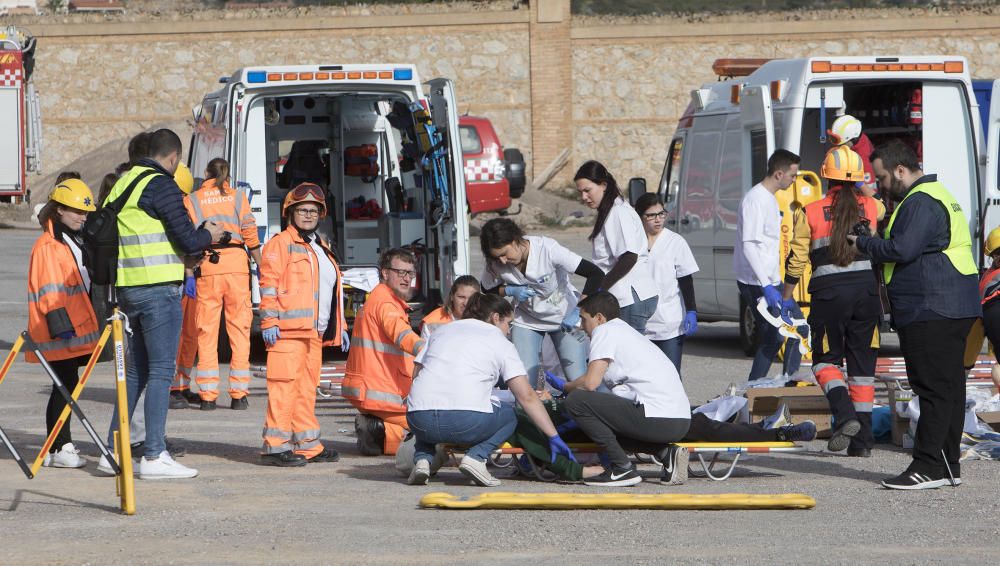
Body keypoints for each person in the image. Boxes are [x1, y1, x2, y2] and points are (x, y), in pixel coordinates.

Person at [850, 139, 980, 490]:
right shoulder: (938, 194)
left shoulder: (920, 201)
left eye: (882, 178)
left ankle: (927, 466)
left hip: (931, 306)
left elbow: (902, 249)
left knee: (934, 389)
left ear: (900, 170)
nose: (879, 186)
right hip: (951, 305)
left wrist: (864, 244)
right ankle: (947, 465)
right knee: (949, 388)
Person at [99, 128, 223, 480]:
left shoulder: (124, 182)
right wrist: (209, 235)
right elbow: (186, 239)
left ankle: (113, 452)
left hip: (128, 289)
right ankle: (153, 454)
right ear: (173, 159)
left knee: (136, 373)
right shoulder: (161, 183)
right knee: (161, 372)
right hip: (157, 290)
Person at [406, 293, 576, 487]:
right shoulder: (499, 340)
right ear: (495, 317)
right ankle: (476, 458)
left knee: (425, 400)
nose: (508, 331)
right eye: (508, 324)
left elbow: (417, 376)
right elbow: (526, 396)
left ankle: (422, 459)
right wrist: (553, 436)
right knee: (510, 415)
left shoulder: (441, 332)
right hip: (465, 422)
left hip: (418, 421)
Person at [783, 145, 882, 457]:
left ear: (826, 178)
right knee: (862, 368)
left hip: (828, 295)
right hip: (866, 294)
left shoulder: (809, 212)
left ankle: (846, 415)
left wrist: (786, 295)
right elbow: (875, 203)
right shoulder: (872, 208)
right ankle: (863, 444)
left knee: (826, 361)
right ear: (857, 180)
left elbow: (797, 259)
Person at [557, 292, 690, 487]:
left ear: (600, 318)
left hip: (659, 417)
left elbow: (591, 383)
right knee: (598, 422)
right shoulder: (624, 331)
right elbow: (593, 380)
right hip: (678, 420)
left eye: (584, 319)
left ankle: (622, 468)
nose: (581, 326)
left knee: (576, 401)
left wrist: (566, 389)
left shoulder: (605, 331)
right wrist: (567, 385)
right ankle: (665, 453)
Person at [259, 183, 346, 466]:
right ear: (290, 212)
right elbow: (268, 285)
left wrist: (340, 326)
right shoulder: (280, 244)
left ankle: (307, 444)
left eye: (313, 210)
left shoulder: (319, 246)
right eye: (302, 210)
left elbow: (329, 290)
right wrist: (269, 320)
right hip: (286, 332)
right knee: (284, 389)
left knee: (306, 390)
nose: (308, 215)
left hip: (313, 333)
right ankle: (275, 447)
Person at [479, 218, 605, 387]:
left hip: (563, 317)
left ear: (515, 240)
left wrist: (579, 310)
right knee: (523, 380)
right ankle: (529, 412)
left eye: (504, 254)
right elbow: (486, 289)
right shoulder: (495, 264)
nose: (502, 261)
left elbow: (595, 274)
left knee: (577, 378)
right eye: (497, 257)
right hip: (527, 319)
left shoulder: (548, 249)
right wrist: (508, 290)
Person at [27, 179, 100, 469]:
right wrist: (61, 327)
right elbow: (49, 290)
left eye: (85, 212)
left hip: (70, 327)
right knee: (64, 384)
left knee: (66, 384)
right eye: (75, 211)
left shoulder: (68, 238)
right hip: (58, 329)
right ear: (58, 210)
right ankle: (59, 446)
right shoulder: (49, 245)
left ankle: (56, 446)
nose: (82, 216)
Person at [184, 158, 262, 411]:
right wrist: (261, 264)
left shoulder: (193, 199)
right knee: (239, 331)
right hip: (237, 266)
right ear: (227, 174)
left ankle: (208, 397)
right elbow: (250, 232)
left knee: (206, 332)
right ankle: (239, 395)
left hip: (208, 265)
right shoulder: (238, 197)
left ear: (206, 173)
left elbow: (189, 235)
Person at [343, 248, 425, 456]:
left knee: (422, 427)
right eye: (400, 272)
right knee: (429, 428)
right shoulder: (386, 304)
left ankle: (376, 429)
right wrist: (431, 351)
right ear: (385, 273)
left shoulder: (383, 299)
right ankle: (377, 431)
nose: (406, 279)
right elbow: (401, 335)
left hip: (376, 389)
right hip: (382, 392)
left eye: (410, 273)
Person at [735, 149, 803, 381]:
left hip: (772, 281)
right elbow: (749, 246)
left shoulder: (770, 199)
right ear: (778, 174)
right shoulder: (755, 200)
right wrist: (765, 286)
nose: (794, 180)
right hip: (756, 282)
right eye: (792, 176)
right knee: (778, 335)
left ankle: (784, 382)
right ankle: (754, 389)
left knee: (796, 329)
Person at [574, 160, 659, 333]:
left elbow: (629, 257)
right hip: (630, 296)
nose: (584, 197)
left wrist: (598, 290)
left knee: (628, 357)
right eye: (580, 192)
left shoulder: (618, 212)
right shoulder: (611, 211)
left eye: (587, 190)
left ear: (603, 185)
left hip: (630, 297)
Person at [634, 193, 699, 374]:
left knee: (670, 375)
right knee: (644, 377)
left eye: (661, 214)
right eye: (651, 215)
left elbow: (686, 280)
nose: (658, 220)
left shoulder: (675, 242)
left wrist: (692, 310)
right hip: (640, 323)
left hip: (669, 322)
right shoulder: (633, 242)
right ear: (640, 217)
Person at [828, 114, 880, 205]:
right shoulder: (859, 140)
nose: (837, 146)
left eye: (840, 143)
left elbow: (871, 195)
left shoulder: (863, 159)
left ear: (852, 139)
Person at [419, 275, 480, 341]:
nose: (466, 303)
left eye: (471, 298)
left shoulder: (486, 319)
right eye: (461, 297)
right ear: (451, 296)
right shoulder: (432, 322)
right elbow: (424, 350)